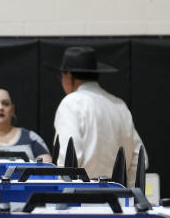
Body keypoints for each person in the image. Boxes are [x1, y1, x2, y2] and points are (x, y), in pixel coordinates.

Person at [53, 46, 145, 185]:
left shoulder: (71, 103)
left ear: (68, 76)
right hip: (118, 197)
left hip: (81, 195)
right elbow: (139, 157)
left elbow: (69, 157)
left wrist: (63, 194)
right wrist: (126, 191)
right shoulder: (118, 104)